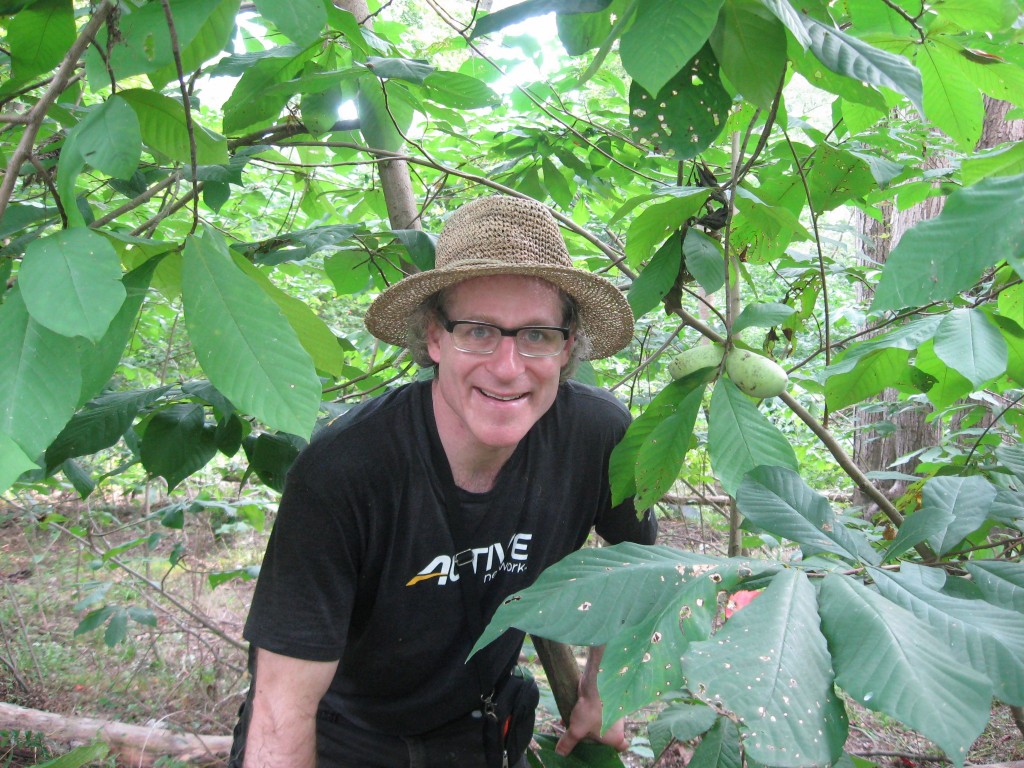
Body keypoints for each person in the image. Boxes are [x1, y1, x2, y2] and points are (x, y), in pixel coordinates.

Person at [229, 195, 658, 768]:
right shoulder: (345, 471)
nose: (508, 367)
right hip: (342, 735)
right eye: (478, 332)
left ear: (566, 346)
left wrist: (604, 687)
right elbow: (282, 705)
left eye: (536, 335)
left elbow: (639, 560)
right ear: (433, 339)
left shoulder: (596, 437)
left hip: (477, 730)